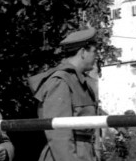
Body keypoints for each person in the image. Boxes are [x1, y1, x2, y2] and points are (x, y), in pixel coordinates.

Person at [28, 28, 103, 161]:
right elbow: (59, 134)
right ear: (83, 52)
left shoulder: (80, 82)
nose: (96, 57)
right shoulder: (61, 81)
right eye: (94, 52)